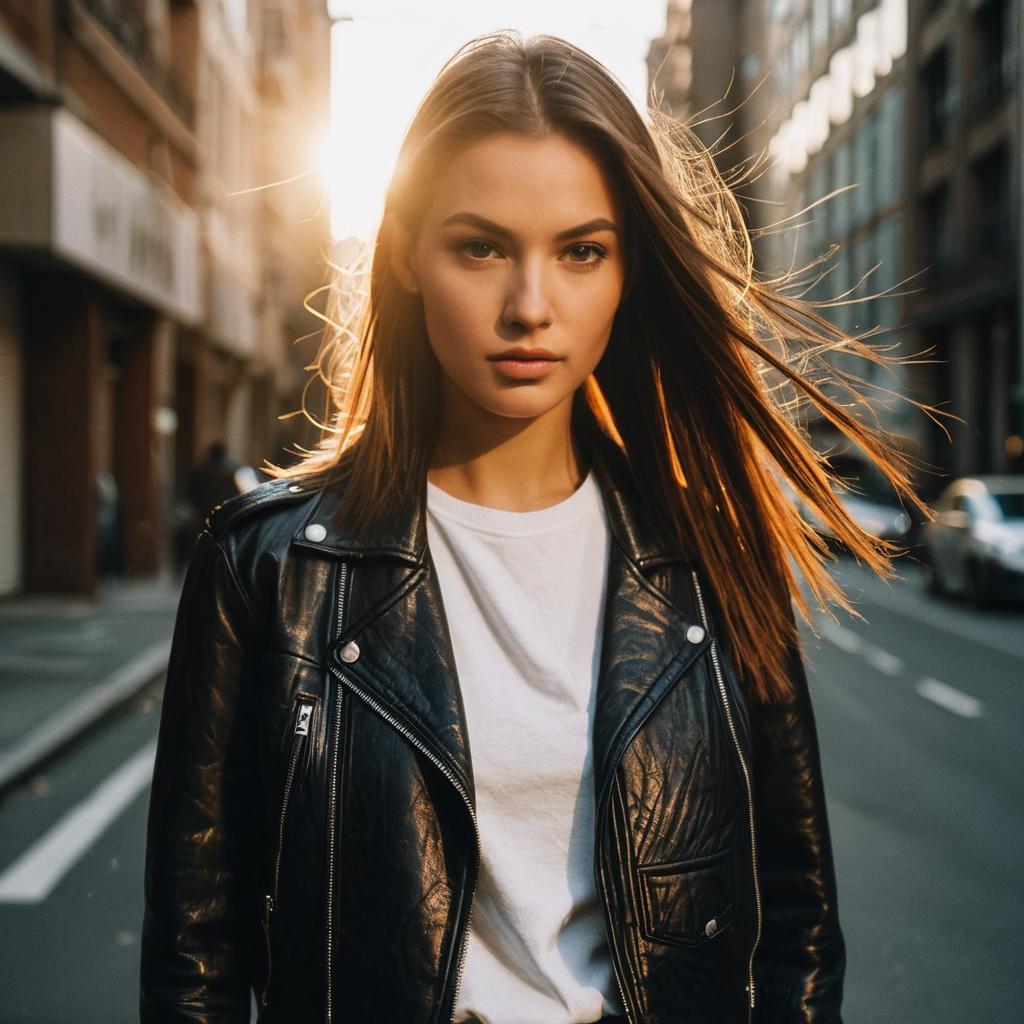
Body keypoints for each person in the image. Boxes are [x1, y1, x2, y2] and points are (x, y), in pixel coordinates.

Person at [140, 31, 928, 1023]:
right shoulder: (266, 570)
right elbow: (194, 953)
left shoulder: (715, 562)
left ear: (628, 270)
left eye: (580, 251)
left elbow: (796, 924)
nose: (529, 306)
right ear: (407, 253)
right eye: (481, 246)